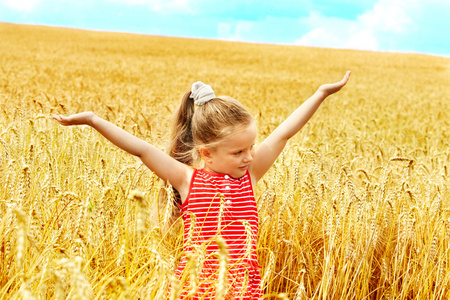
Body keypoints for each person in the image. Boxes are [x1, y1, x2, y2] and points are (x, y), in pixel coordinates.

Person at [52, 71, 351, 299]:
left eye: (251, 147)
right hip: (194, 289)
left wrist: (321, 93)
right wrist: (93, 119)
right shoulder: (187, 179)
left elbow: (285, 133)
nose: (250, 156)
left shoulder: (250, 174)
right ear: (207, 152)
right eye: (238, 152)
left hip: (243, 290)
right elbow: (141, 149)